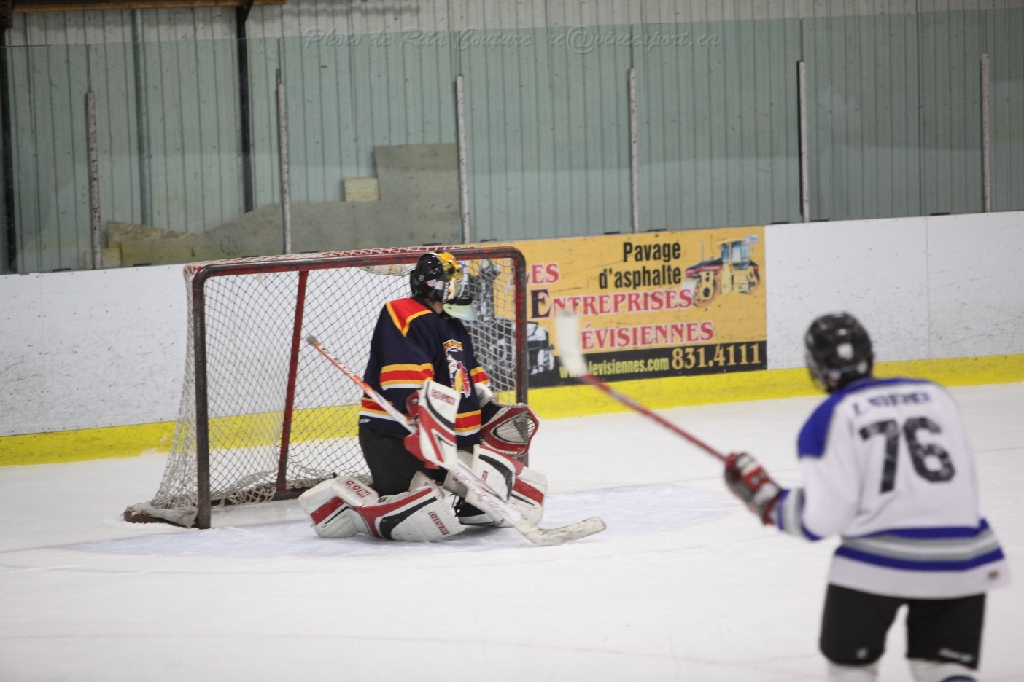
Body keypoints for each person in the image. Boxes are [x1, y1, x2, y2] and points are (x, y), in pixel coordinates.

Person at [724, 312, 1009, 682]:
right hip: (965, 557)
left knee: (851, 668)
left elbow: (822, 520)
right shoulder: (936, 396)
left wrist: (768, 502)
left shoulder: (829, 418)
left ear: (815, 365)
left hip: (877, 565)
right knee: (942, 668)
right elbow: (964, 485)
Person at [298, 252, 545, 541]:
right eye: (454, 284)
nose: (460, 290)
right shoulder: (402, 313)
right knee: (419, 514)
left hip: (448, 440)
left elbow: (468, 373)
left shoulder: (453, 323)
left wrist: (484, 403)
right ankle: (343, 507)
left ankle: (467, 502)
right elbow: (405, 377)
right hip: (397, 435)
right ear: (435, 285)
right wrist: (421, 413)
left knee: (506, 490)